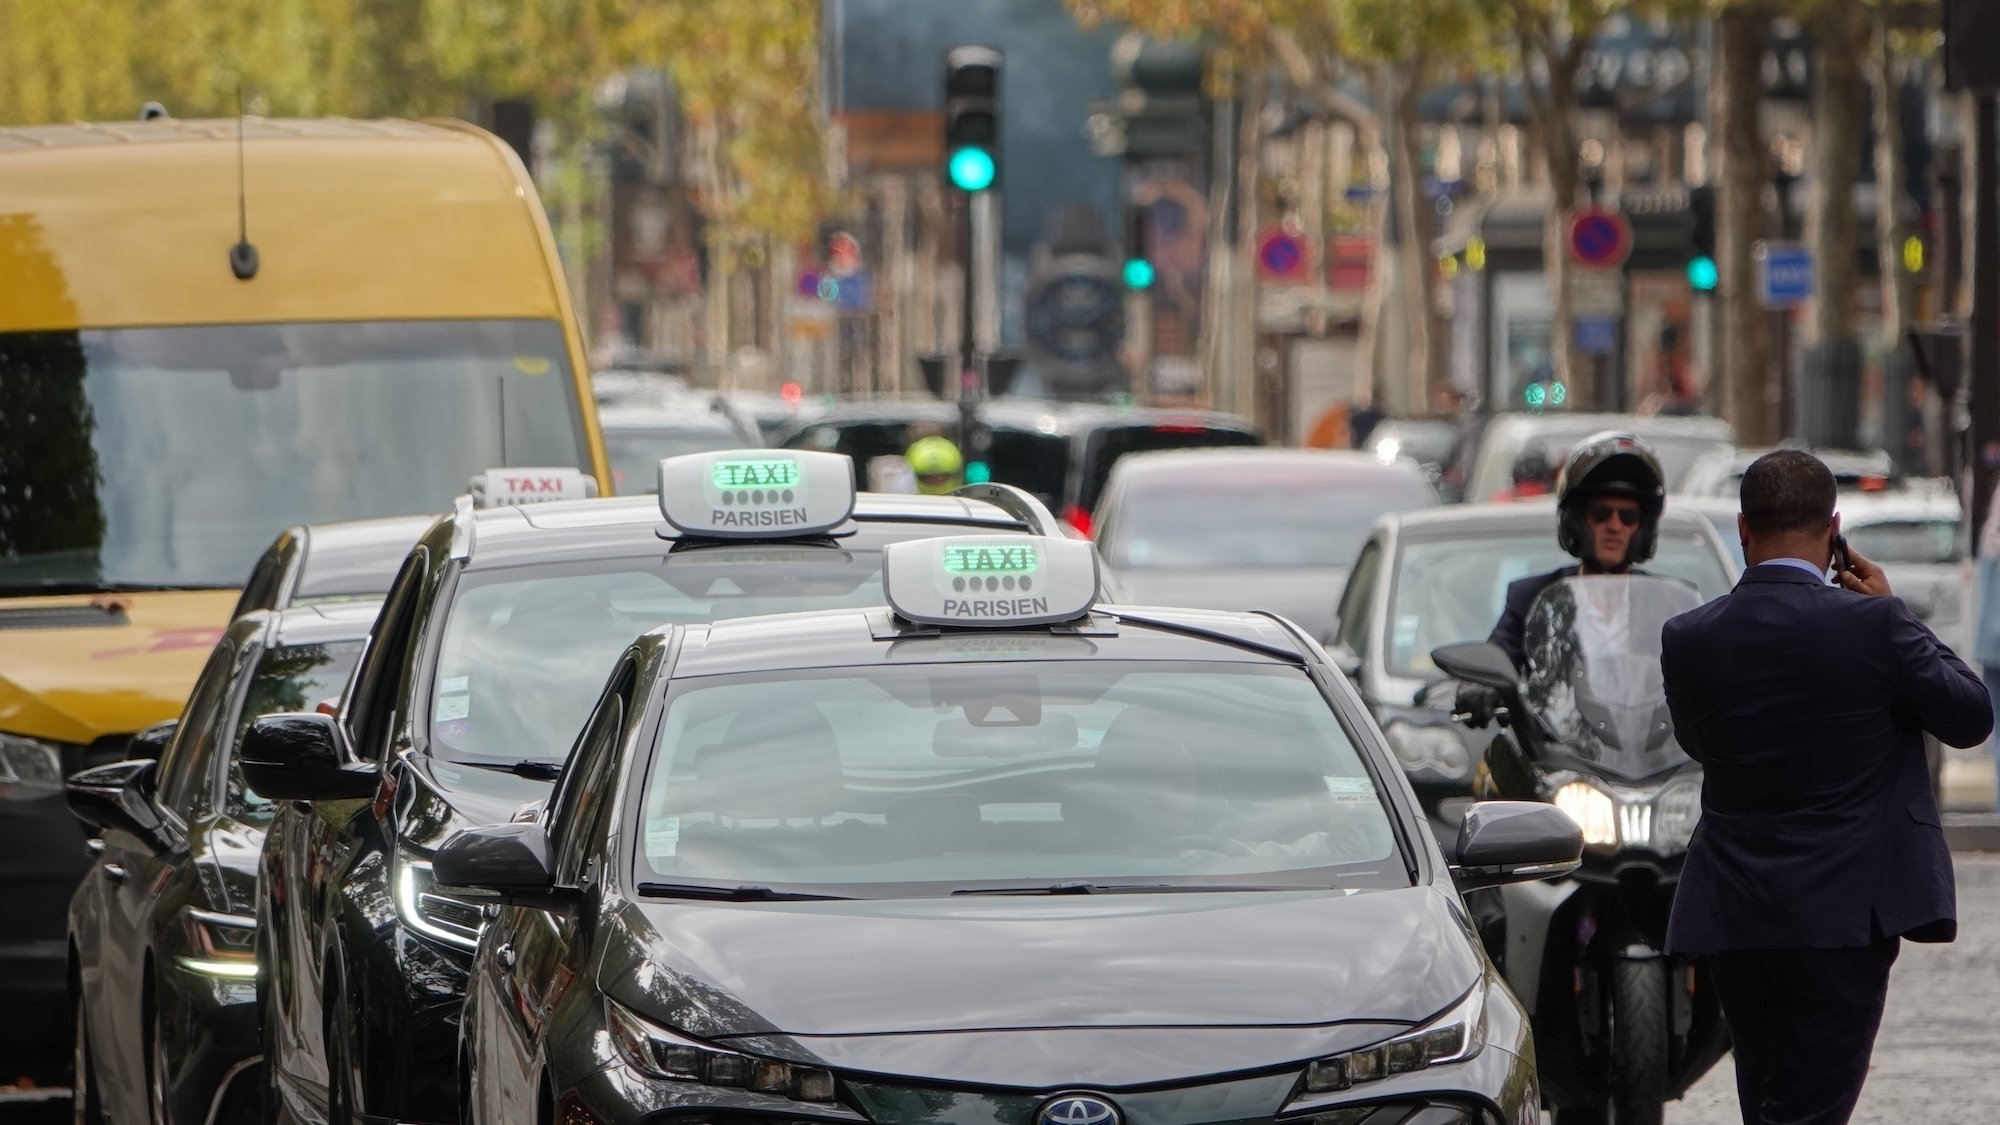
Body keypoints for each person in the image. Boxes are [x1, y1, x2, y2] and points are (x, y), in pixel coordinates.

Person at [1658, 450, 1991, 1125]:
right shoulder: (1875, 625)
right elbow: (1970, 714)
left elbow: (1700, 742)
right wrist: (1897, 613)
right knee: (1812, 1108)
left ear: (1744, 531)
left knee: (1769, 1097)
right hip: (1845, 917)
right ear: (1834, 529)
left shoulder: (1689, 638)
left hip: (1739, 911)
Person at [1489, 432, 1666, 669]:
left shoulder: (1667, 606)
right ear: (1576, 520)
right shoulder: (1531, 600)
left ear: (1644, 528)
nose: (1614, 526)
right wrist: (1480, 688)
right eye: (1601, 514)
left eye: (1628, 516)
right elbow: (1496, 659)